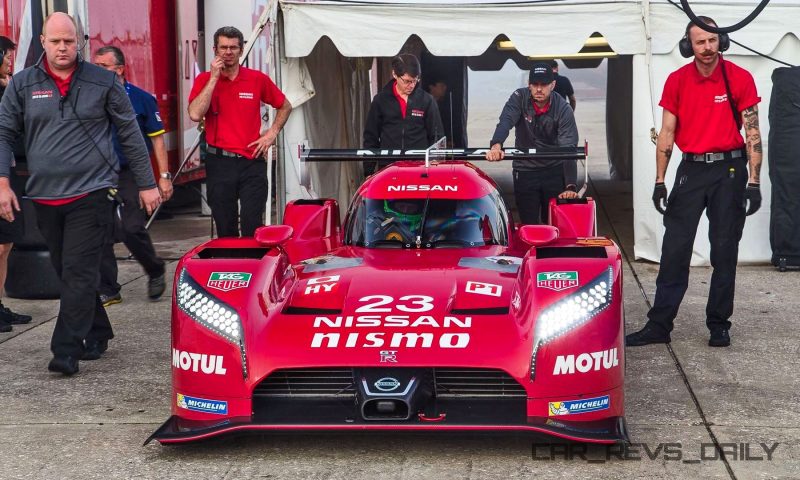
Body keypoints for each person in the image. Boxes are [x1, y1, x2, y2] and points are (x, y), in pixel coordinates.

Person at [0, 13, 161, 375]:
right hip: (44, 195)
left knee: (78, 270)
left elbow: (131, 134)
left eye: (69, 41)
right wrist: (2, 182)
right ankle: (99, 329)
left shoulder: (102, 81)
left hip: (93, 192)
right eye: (55, 41)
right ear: (42, 41)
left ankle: (65, 350)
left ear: (80, 42)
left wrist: (148, 183)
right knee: (66, 270)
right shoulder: (23, 84)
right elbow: (4, 132)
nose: (62, 48)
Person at [626, 16, 762, 348]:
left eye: (712, 40)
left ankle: (719, 324)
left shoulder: (739, 78)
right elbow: (667, 133)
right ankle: (659, 325)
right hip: (691, 170)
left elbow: (753, 134)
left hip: (730, 171)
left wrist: (754, 182)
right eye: (699, 42)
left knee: (724, 249)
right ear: (689, 45)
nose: (707, 47)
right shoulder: (677, 80)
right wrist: (660, 181)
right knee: (674, 248)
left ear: (721, 42)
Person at [188, 26, 292, 238]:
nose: (228, 52)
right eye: (223, 47)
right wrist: (214, 78)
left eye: (233, 47)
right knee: (225, 225)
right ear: (215, 50)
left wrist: (271, 134)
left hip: (251, 161)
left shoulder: (256, 79)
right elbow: (195, 114)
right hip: (220, 161)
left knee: (252, 222)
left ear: (241, 50)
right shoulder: (205, 80)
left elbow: (285, 105)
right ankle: (230, 267)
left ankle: (253, 267)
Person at [93, 45, 172, 306]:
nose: (97, 71)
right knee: (99, 228)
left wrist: (163, 176)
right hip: (100, 172)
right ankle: (109, 288)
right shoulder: (91, 98)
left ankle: (155, 269)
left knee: (130, 227)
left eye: (103, 66)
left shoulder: (141, 99)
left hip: (131, 171)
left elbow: (158, 141)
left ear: (120, 69)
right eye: (96, 65)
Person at [486, 62, 579, 225]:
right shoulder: (519, 98)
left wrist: (570, 185)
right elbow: (505, 121)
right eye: (535, 84)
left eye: (544, 85)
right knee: (528, 223)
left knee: (553, 223)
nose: (539, 89)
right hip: (525, 170)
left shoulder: (563, 109)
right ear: (528, 85)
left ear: (553, 85)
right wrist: (496, 145)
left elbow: (568, 148)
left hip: (553, 170)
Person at [362, 54, 444, 176]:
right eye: (407, 81)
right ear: (394, 74)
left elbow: (437, 137)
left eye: (415, 80)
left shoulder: (427, 101)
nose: (411, 85)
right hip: (388, 169)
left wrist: (435, 168)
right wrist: (368, 172)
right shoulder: (380, 101)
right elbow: (371, 138)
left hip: (420, 169)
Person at [0, 35, 31, 332]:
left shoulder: (8, 89)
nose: (11, 62)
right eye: (7, 57)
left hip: (8, 176)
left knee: (5, 245)